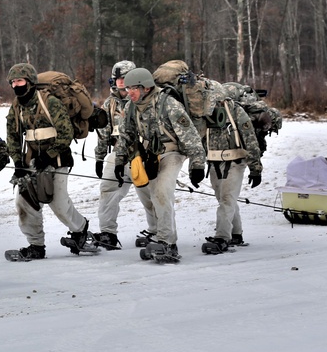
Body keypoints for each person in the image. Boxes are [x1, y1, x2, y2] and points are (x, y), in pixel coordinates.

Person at [113, 67, 206, 263]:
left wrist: (197, 165)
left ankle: (167, 243)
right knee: (151, 195)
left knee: (162, 192)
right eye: (127, 88)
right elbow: (126, 136)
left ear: (146, 88)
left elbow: (190, 137)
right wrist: (120, 160)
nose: (129, 92)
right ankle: (162, 236)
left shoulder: (168, 104)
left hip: (171, 152)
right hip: (149, 155)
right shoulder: (131, 106)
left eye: (133, 88)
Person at [5, 62, 92, 260]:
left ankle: (81, 230)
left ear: (30, 81)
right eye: (12, 82)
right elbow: (12, 135)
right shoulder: (16, 106)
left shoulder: (49, 101)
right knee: (24, 202)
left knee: (58, 202)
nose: (15, 85)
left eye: (19, 81)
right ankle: (35, 245)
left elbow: (66, 132)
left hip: (58, 158)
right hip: (31, 161)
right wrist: (18, 162)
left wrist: (49, 155)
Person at [195, 83, 263, 253]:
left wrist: (256, 168)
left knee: (226, 200)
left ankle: (222, 237)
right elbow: (199, 141)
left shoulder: (236, 111)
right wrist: (195, 167)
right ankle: (236, 234)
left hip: (235, 163)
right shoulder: (205, 114)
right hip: (213, 162)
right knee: (226, 199)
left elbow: (250, 139)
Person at [92, 60, 151, 250]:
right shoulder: (110, 104)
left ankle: (157, 231)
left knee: (149, 195)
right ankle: (108, 233)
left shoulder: (146, 101)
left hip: (143, 155)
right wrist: (100, 157)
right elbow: (104, 133)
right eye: (117, 78)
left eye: (124, 78)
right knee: (107, 189)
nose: (120, 82)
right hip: (118, 154)